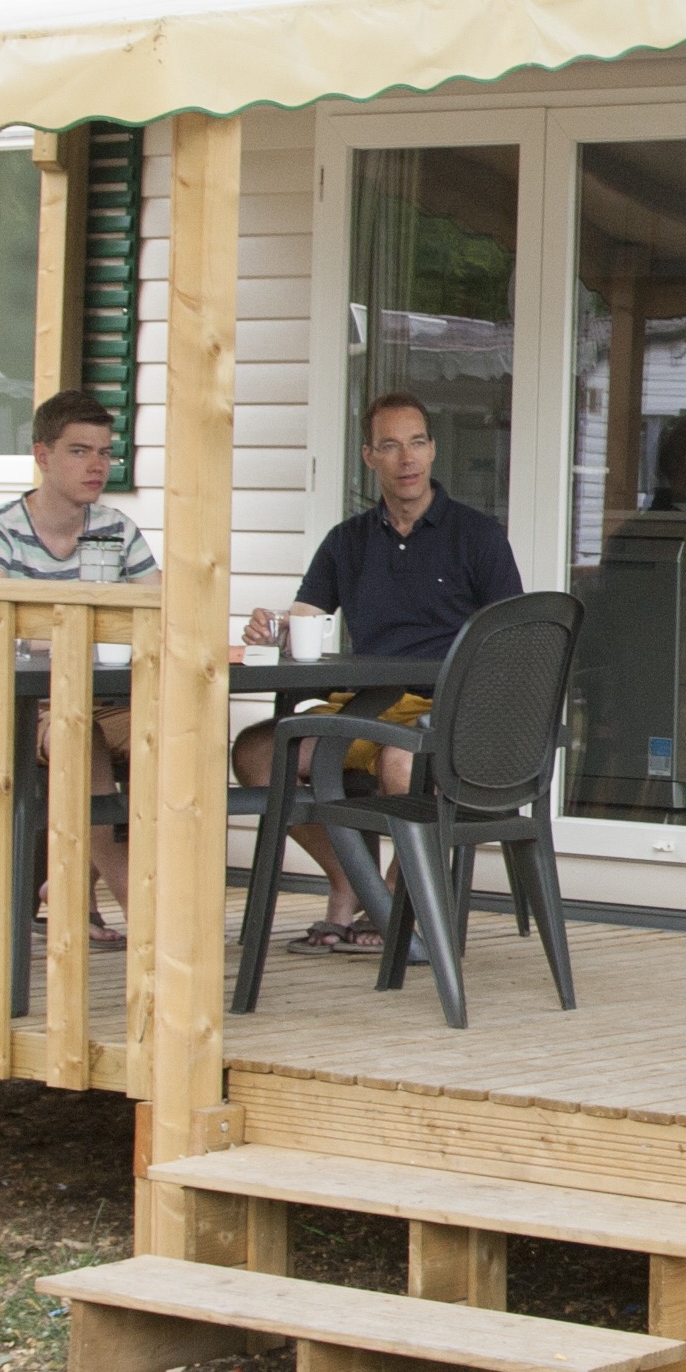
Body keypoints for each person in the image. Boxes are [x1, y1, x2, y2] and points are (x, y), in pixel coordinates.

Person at [236, 391, 526, 955]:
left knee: (404, 762)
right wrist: (269, 629)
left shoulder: (477, 535)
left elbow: (508, 645)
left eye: (417, 442)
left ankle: (389, 905)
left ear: (433, 449)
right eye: (390, 446)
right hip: (363, 708)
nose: (407, 458)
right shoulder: (347, 542)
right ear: (370, 457)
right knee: (256, 752)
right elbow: (306, 622)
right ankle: (349, 882)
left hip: (443, 711)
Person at [0, 388, 152, 935]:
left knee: (175, 732)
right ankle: (147, 921)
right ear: (42, 455)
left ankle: (67, 888)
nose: (97, 465)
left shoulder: (118, 529)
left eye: (105, 453)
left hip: (98, 699)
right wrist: (100, 631)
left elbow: (162, 613)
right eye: (79, 451)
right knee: (75, 734)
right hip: (0, 709)